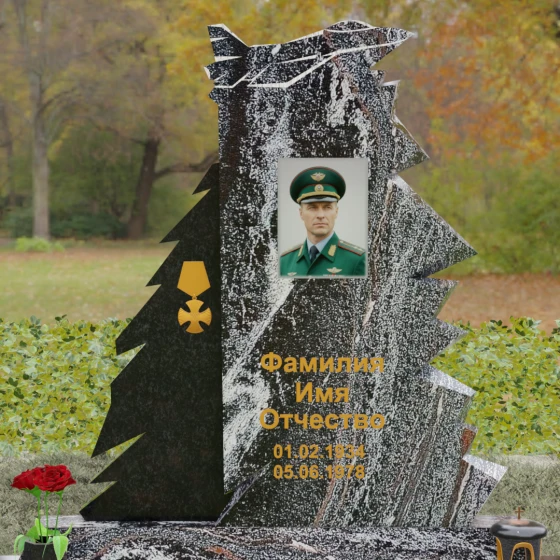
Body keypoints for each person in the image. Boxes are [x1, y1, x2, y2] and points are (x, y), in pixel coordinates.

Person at [280, 166, 366, 277]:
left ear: (336, 212)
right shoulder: (284, 262)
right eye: (312, 208)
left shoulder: (357, 260)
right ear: (301, 213)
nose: (320, 215)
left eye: (327, 207)